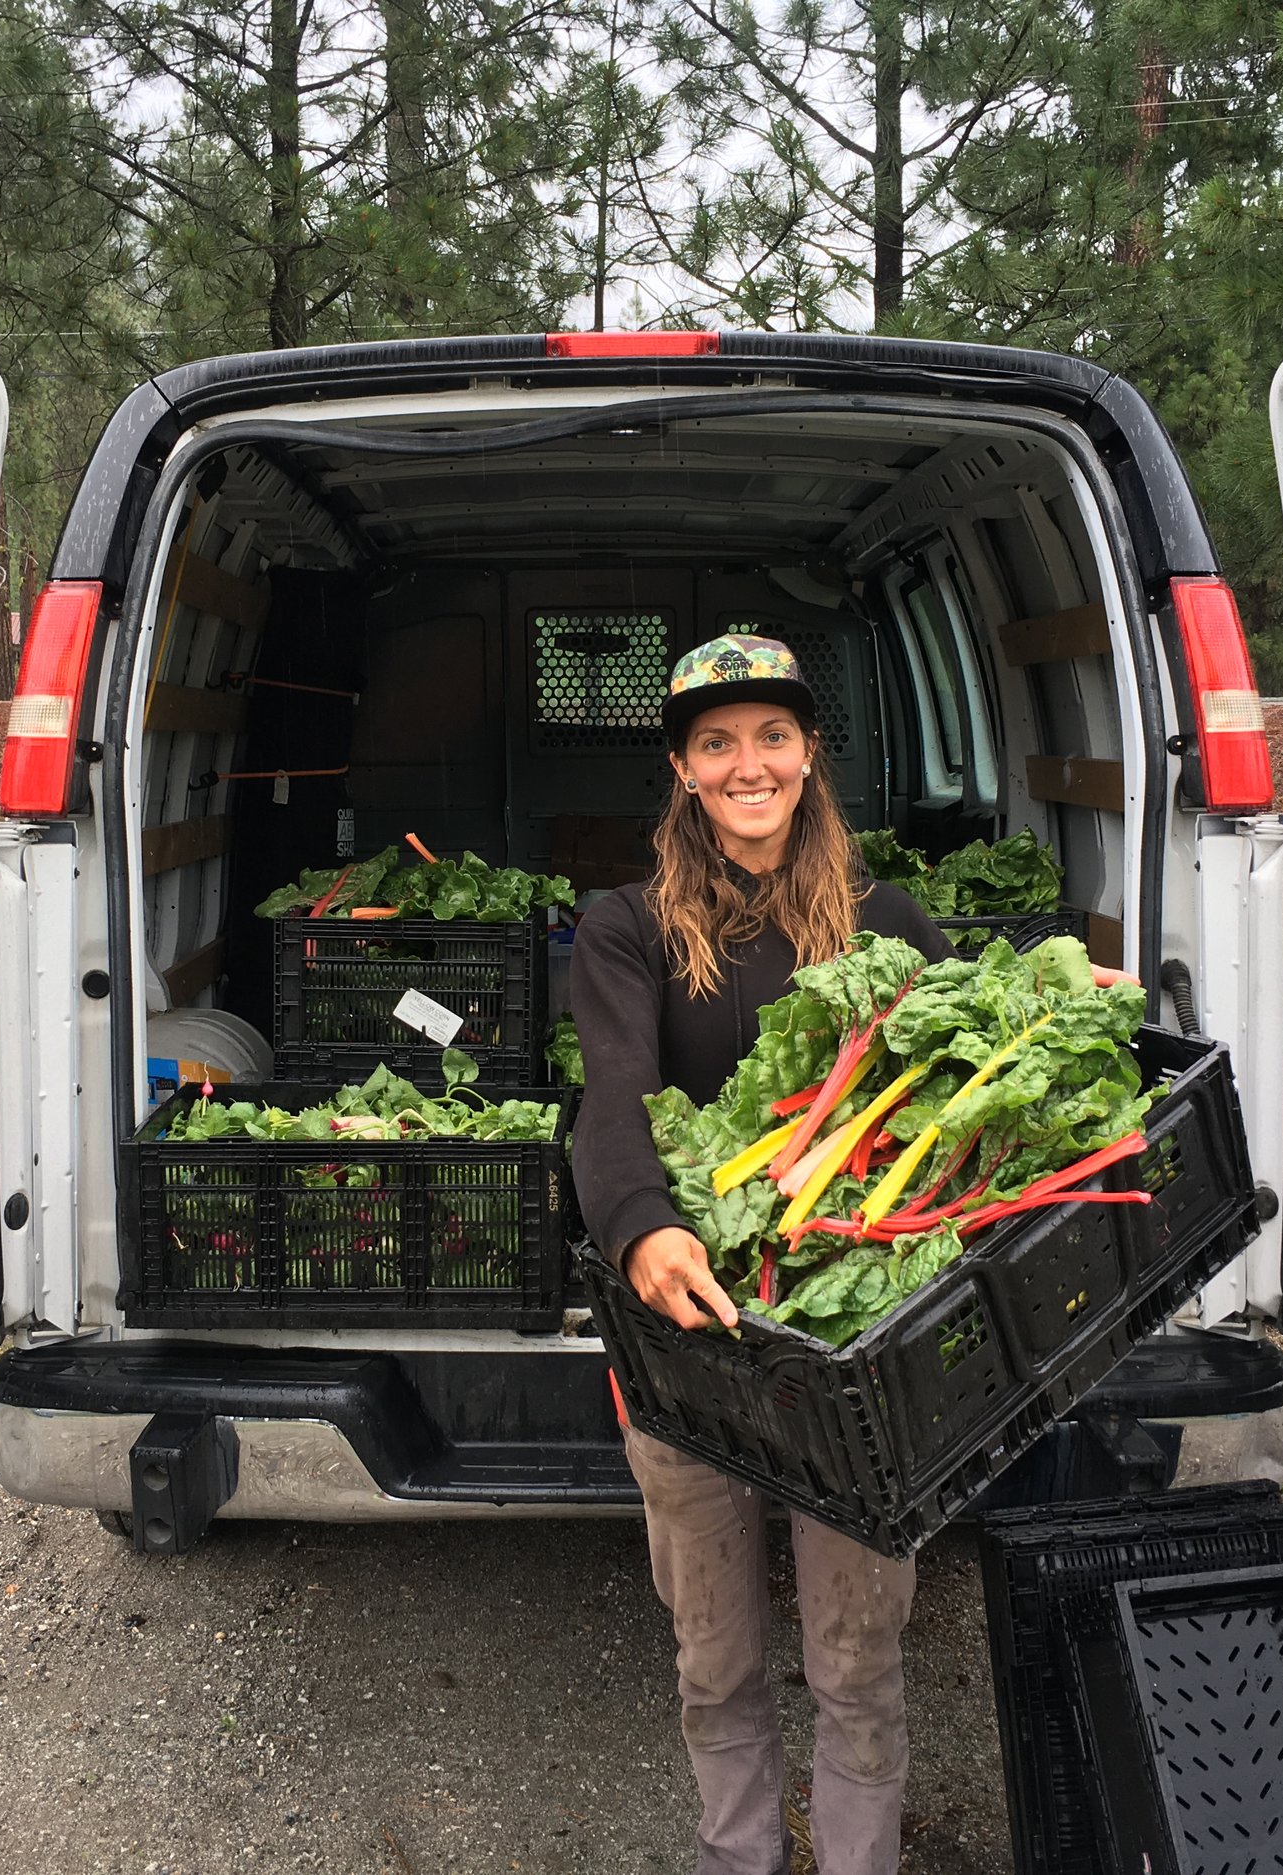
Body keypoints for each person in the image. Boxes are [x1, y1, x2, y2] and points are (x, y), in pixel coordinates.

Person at [569, 633, 954, 1875]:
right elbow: (612, 1101)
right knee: (715, 1660)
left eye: (772, 736)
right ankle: (740, 1857)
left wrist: (1068, 999)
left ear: (808, 753)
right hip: (690, 1336)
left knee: (858, 1660)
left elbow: (965, 1069)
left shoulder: (889, 923)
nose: (750, 764)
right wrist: (643, 1224)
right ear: (683, 770)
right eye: (718, 742)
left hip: (855, 1340)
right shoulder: (626, 930)